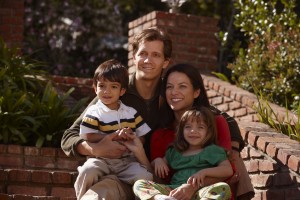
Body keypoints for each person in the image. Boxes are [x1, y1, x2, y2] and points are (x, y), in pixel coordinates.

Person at [61, 27, 172, 199]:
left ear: (165, 62)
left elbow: (207, 110)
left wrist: (231, 142)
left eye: (156, 55)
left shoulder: (171, 92)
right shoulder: (113, 89)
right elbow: (69, 136)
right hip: (111, 174)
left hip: (145, 176)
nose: (148, 60)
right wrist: (97, 148)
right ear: (134, 57)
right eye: (143, 53)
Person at [150, 63, 254, 200]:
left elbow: (229, 172)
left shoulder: (216, 123)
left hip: (208, 193)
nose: (174, 92)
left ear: (196, 92)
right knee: (142, 184)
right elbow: (158, 176)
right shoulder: (160, 135)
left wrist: (192, 187)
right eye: (169, 87)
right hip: (173, 194)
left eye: (182, 86)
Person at [74, 59, 153, 199]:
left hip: (127, 162)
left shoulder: (131, 112)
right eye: (102, 86)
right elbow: (87, 136)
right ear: (95, 88)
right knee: (88, 170)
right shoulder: (94, 111)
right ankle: (81, 197)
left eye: (113, 87)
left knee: (145, 176)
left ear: (122, 91)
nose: (107, 91)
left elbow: (142, 136)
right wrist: (110, 136)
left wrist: (131, 137)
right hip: (101, 159)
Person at [133, 106, 233, 200]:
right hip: (173, 192)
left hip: (201, 192)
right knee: (139, 184)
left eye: (200, 127)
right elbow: (155, 167)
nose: (193, 131)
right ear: (181, 130)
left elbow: (227, 170)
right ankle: (160, 198)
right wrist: (158, 160)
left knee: (223, 187)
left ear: (209, 131)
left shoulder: (211, 150)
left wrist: (204, 172)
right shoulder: (175, 151)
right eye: (188, 127)